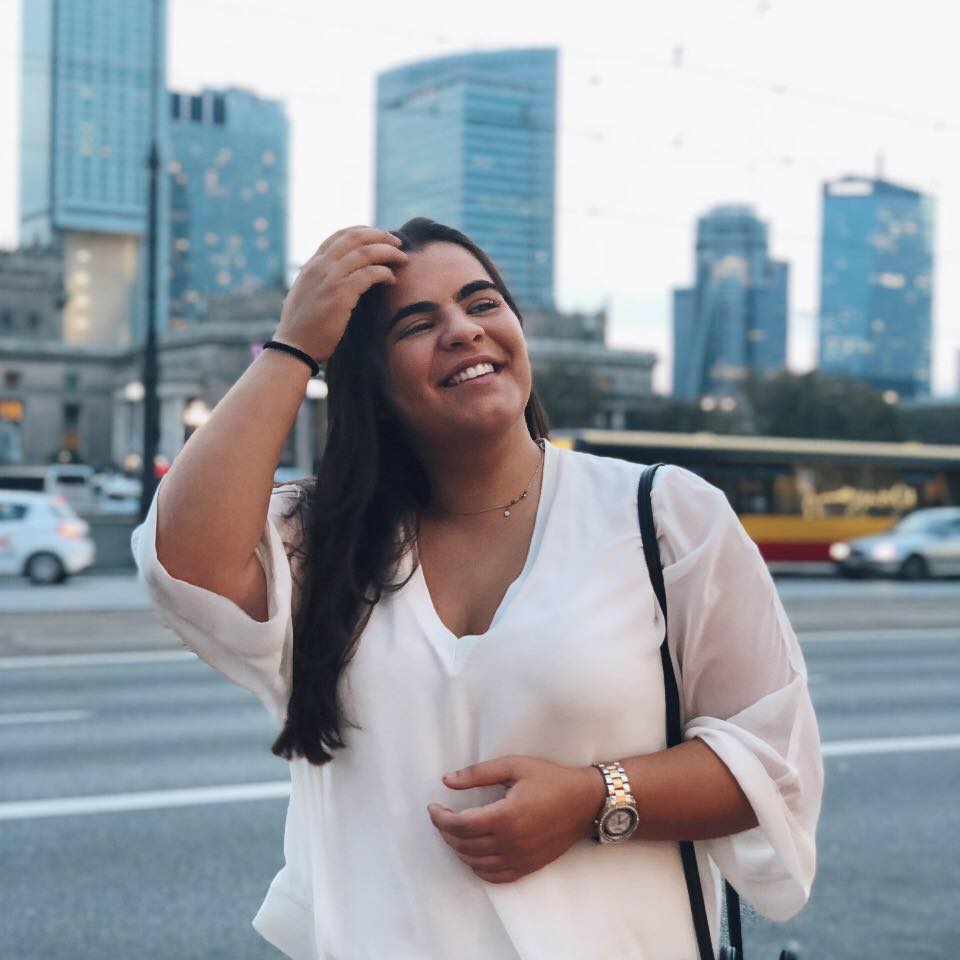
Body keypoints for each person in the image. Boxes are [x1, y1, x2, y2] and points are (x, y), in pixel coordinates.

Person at [131, 218, 823, 960]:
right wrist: (295, 346)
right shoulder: (320, 540)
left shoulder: (663, 516)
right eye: (416, 324)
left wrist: (594, 798)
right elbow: (184, 567)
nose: (462, 330)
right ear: (373, 383)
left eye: (482, 303)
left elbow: (771, 763)